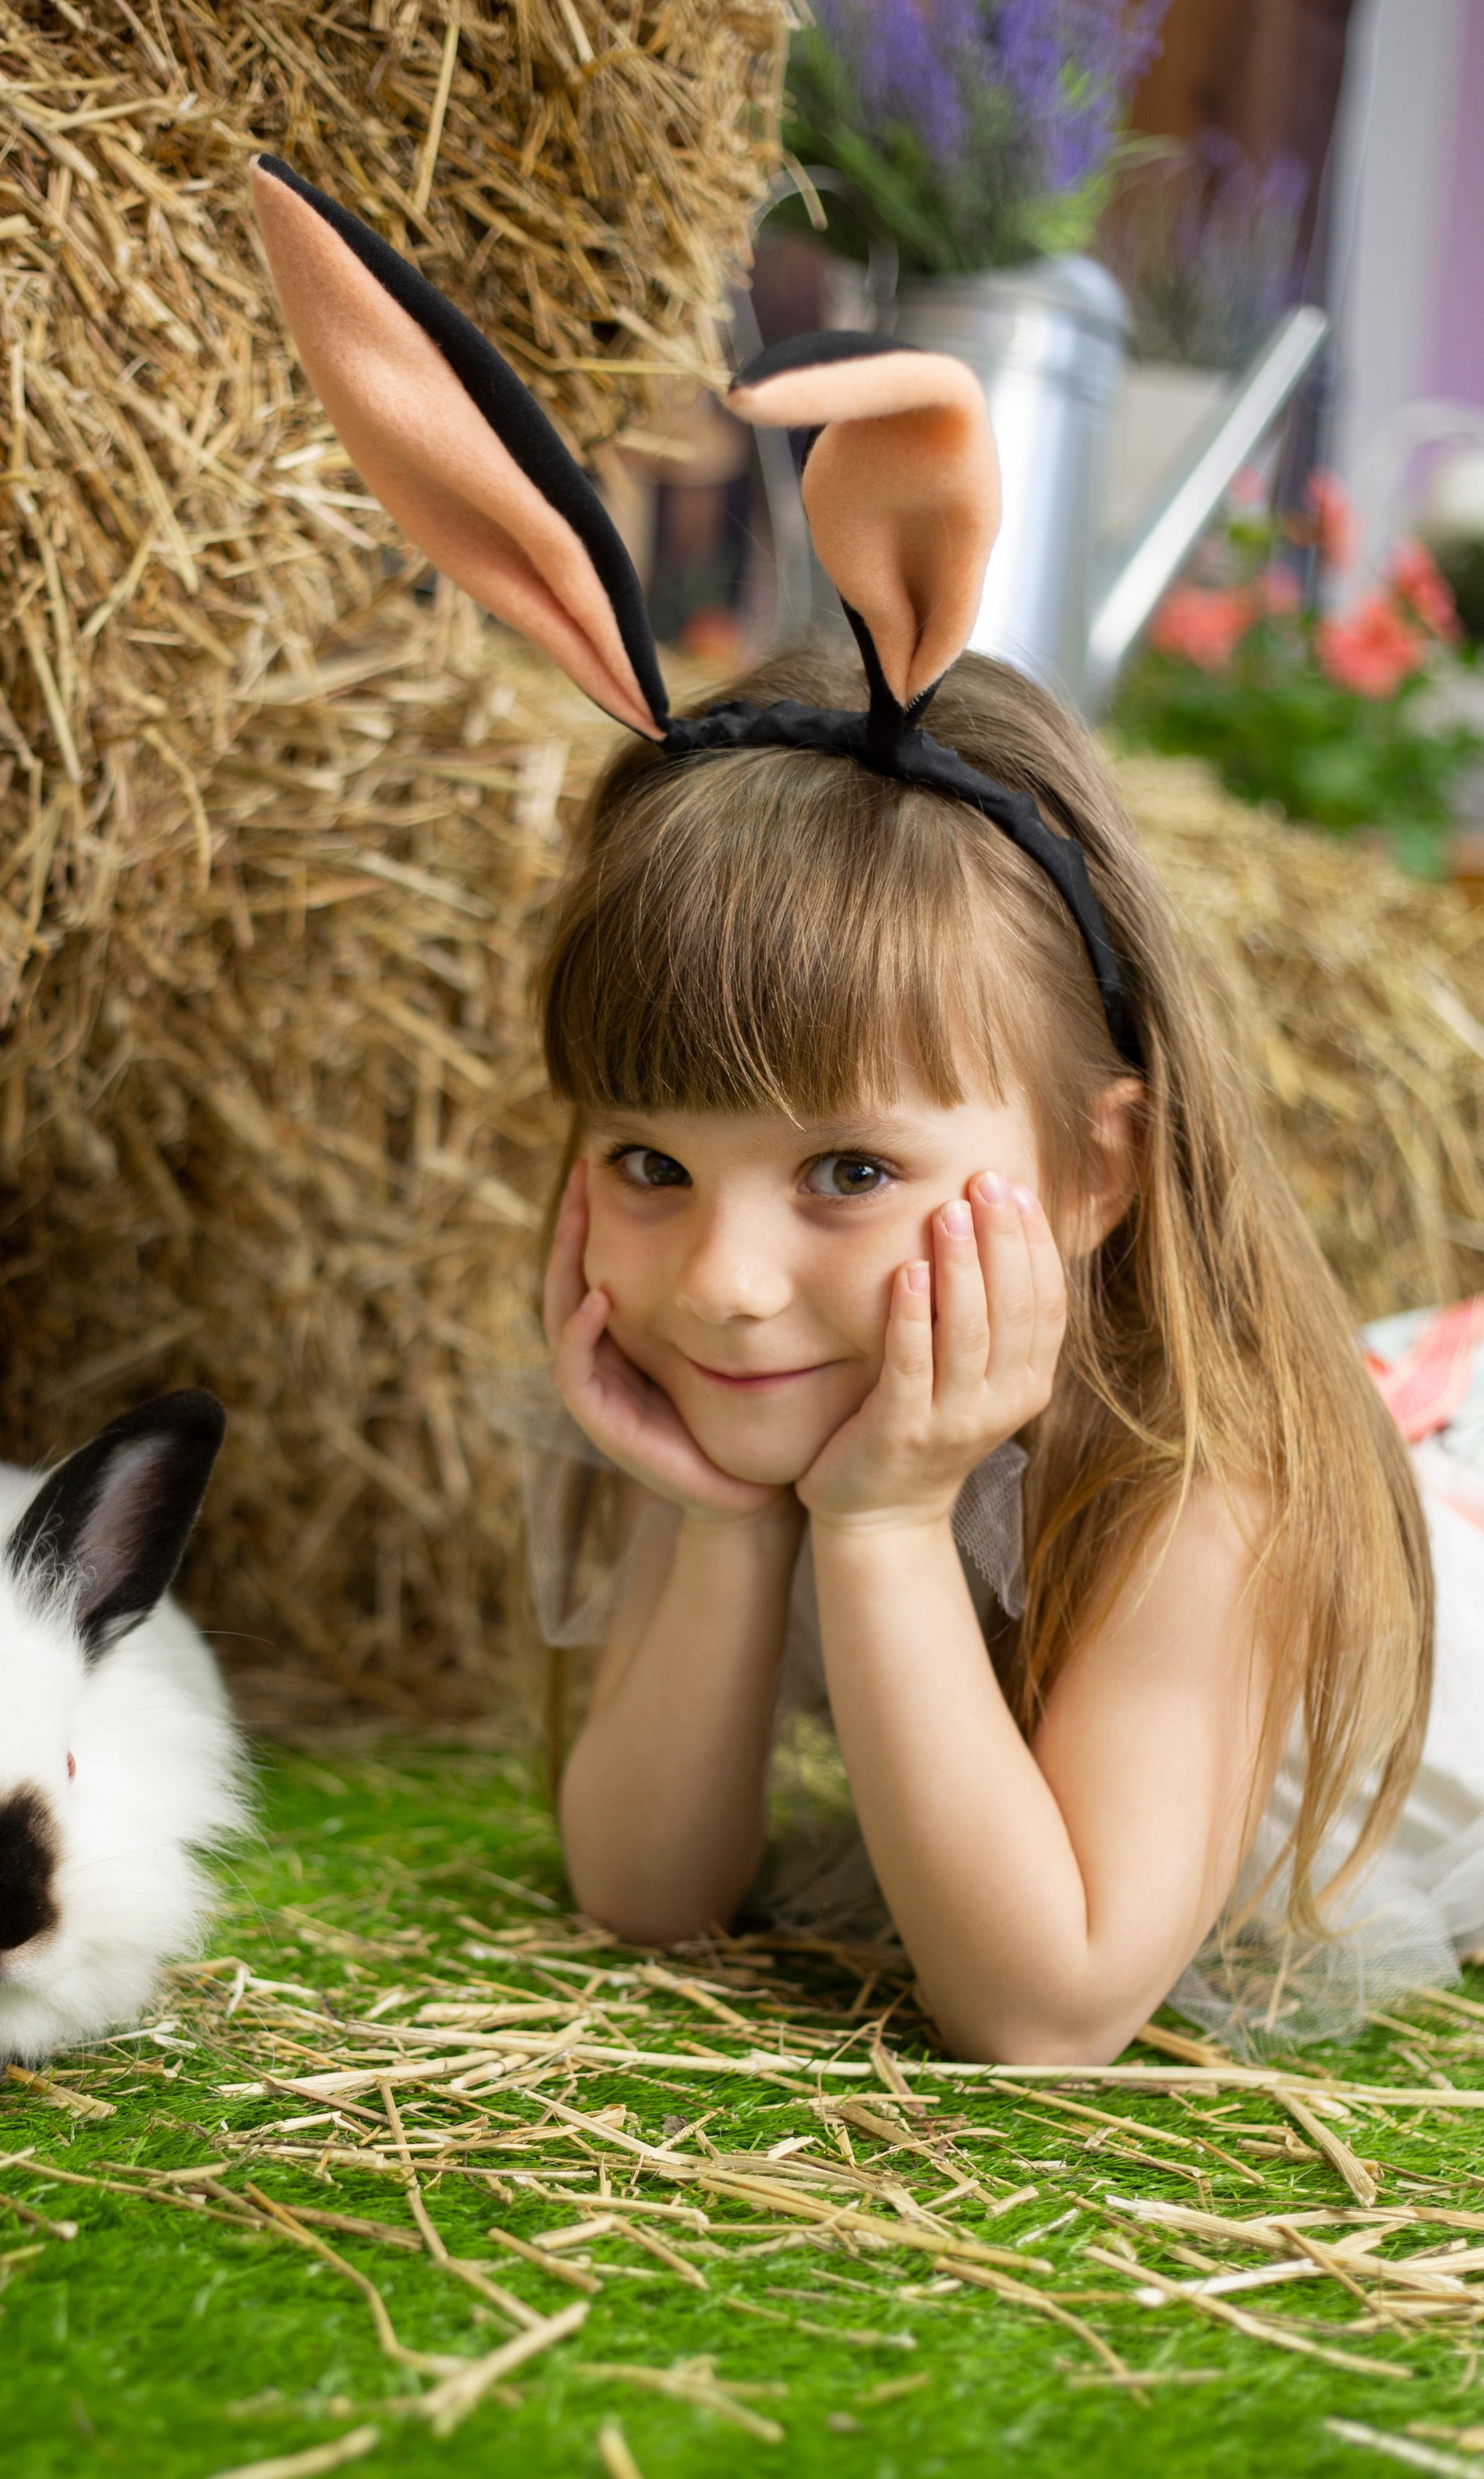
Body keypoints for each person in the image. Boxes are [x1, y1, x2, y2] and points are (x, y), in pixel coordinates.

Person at [248, 157, 1476, 2065]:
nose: (723, 1280)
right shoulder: (764, 1378)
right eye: (649, 1162)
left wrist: (889, 1525)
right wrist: (723, 1519)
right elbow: (647, 1892)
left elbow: (1047, 2005)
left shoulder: (1203, 1485)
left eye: (845, 1169)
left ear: (1093, 1170)